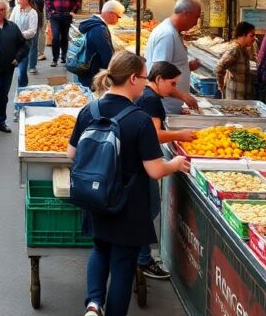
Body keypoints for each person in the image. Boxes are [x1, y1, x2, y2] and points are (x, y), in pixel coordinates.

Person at [68, 52, 190, 316]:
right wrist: (177, 164)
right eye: (145, 78)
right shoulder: (139, 120)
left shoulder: (89, 109)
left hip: (96, 198)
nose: (146, 84)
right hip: (129, 206)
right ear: (133, 78)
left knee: (99, 250)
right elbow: (155, 170)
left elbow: (72, 154)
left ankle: (92, 304)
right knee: (123, 264)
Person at [134, 61, 197, 281]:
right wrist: (180, 135)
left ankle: (139, 257)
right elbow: (154, 134)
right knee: (149, 209)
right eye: (172, 83)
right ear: (158, 79)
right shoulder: (151, 101)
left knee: (145, 209)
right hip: (144, 163)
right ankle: (142, 259)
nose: (173, 88)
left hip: (138, 162)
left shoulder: (147, 96)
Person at [144, 0, 202, 113]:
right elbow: (158, 75)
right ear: (186, 14)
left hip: (170, 105)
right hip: (165, 106)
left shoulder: (172, 32)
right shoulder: (168, 34)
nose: (196, 23)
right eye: (196, 17)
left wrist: (187, 67)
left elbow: (168, 67)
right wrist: (183, 96)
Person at [0, 0, 28, 133]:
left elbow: (24, 46)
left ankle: (0, 121)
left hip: (8, 68)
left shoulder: (12, 27)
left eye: (2, 9)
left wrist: (17, 58)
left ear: (6, 11)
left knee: (4, 95)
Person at [76, 1, 125, 88]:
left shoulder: (94, 23)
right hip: (93, 74)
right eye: (118, 17)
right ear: (111, 14)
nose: (118, 20)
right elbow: (107, 57)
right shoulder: (100, 30)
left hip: (88, 71)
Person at [46, 0, 81, 67]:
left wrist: (73, 11)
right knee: (56, 36)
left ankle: (64, 56)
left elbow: (77, 1)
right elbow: (48, 2)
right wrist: (51, 12)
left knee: (65, 37)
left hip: (67, 16)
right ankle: (55, 58)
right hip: (55, 17)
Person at [215, 22, 257, 101]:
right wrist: (221, 86)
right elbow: (220, 67)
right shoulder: (235, 50)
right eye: (252, 35)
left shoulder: (244, 49)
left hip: (242, 95)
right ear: (243, 35)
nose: (254, 38)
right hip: (234, 95)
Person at [19, 0, 48, 65]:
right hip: (40, 9)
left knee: (28, 30)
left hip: (29, 9)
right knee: (40, 31)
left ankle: (27, 56)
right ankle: (39, 54)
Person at [10, 0, 39, 87]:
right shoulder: (16, 9)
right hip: (13, 43)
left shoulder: (33, 13)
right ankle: (23, 89)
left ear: (26, 0)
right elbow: (11, 23)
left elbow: (33, 31)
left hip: (25, 45)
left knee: (21, 72)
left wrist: (20, 34)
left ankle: (22, 90)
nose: (17, 1)